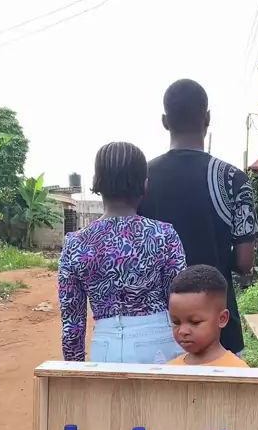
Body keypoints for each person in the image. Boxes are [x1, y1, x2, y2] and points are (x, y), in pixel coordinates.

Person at [138, 79, 258, 358]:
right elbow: (245, 262)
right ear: (207, 118)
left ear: (165, 121)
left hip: (158, 332)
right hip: (219, 332)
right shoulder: (233, 180)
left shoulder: (142, 179)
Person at [58, 142, 186, 364]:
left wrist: (73, 370)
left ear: (97, 183)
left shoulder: (76, 244)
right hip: (160, 344)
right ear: (145, 184)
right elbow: (180, 301)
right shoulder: (163, 234)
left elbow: (73, 324)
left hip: (105, 347)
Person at [167, 265, 249, 367]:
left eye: (195, 322)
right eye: (176, 322)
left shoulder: (237, 370)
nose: (182, 331)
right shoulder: (170, 369)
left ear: (222, 319)